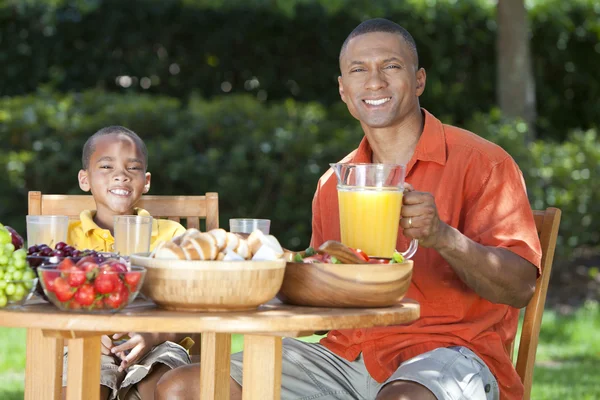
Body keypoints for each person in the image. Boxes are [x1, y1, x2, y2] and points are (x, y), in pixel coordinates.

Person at [155, 18, 541, 400]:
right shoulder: (334, 183)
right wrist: (263, 261)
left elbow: (520, 287)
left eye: (390, 66)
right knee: (184, 388)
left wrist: (444, 237)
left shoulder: (483, 164)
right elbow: (325, 292)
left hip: (450, 351)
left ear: (419, 79)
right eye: (359, 70)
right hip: (347, 355)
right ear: (343, 89)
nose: (374, 82)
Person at [64, 126, 192, 400]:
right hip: (82, 341)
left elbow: (194, 306)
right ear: (84, 179)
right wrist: (82, 331)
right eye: (107, 165)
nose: (120, 175)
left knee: (164, 388)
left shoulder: (173, 237)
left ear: (146, 181)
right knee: (83, 385)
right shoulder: (65, 238)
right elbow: (48, 303)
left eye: (132, 168)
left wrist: (153, 335)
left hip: (158, 342)